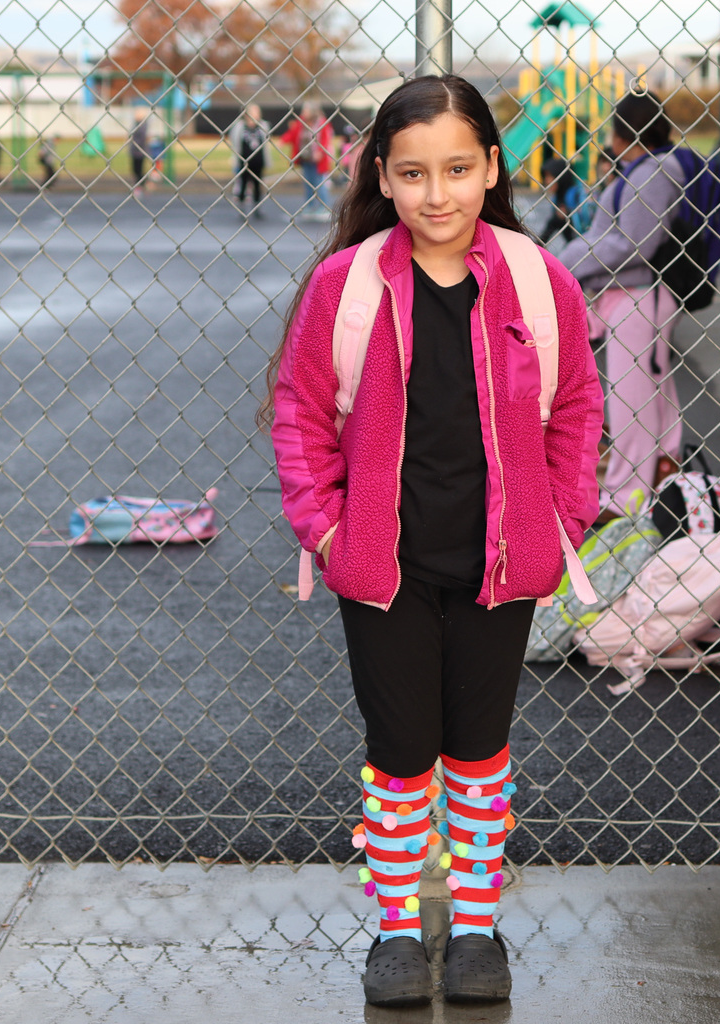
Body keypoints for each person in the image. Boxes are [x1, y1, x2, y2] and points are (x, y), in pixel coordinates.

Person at [261, 74, 602, 1007]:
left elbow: (576, 408)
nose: (437, 193)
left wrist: (562, 520)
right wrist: (328, 530)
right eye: (413, 173)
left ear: (493, 167)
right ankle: (400, 927)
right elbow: (298, 410)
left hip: (502, 563)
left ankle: (479, 921)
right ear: (383, 174)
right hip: (383, 568)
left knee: (480, 748)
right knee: (402, 751)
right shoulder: (349, 285)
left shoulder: (540, 282)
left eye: (458, 168)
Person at [559, 89, 685, 522]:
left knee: (631, 400)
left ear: (620, 133)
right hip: (629, 295)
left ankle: (623, 496)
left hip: (639, 296)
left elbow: (633, 243)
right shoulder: (638, 170)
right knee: (648, 393)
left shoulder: (652, 173)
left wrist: (565, 261)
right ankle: (663, 470)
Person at [280, 101, 333, 219]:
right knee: (308, 183)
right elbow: (293, 133)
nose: (303, 113)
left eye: (306, 111)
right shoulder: (301, 122)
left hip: (317, 160)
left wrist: (320, 152)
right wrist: (283, 140)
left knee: (319, 183)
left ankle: (323, 207)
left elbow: (326, 139)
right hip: (305, 158)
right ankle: (309, 207)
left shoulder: (322, 122)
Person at [538, 156, 590, 243]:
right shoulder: (556, 198)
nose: (547, 181)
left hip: (583, 239)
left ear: (560, 176)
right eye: (546, 177)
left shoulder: (576, 194)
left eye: (550, 176)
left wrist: (569, 212)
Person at [229, 104, 268, 216]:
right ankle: (241, 208)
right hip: (244, 162)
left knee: (257, 185)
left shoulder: (263, 126)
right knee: (243, 183)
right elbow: (234, 140)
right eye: (253, 112)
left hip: (258, 162)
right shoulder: (240, 127)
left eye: (257, 112)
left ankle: (257, 207)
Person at [129, 110, 151, 196]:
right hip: (135, 150)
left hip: (139, 151)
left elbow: (141, 138)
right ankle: (141, 185)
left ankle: (140, 186)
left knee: (138, 169)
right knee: (135, 169)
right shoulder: (137, 125)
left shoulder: (142, 126)